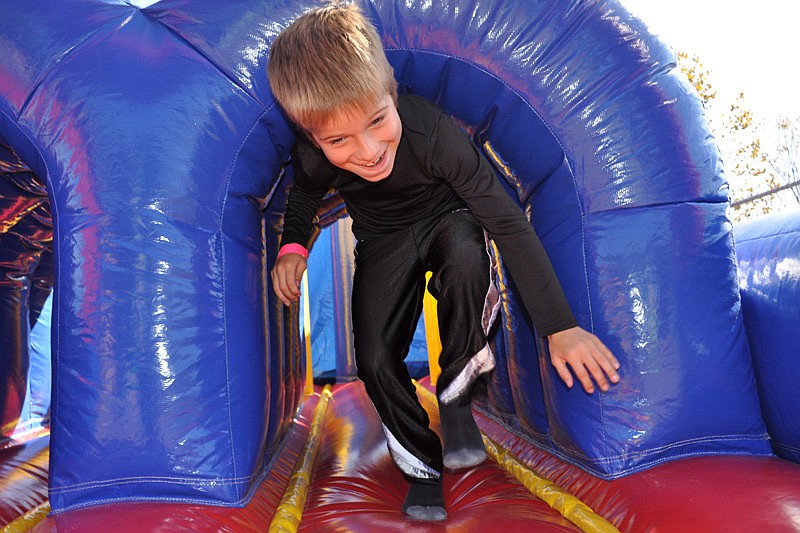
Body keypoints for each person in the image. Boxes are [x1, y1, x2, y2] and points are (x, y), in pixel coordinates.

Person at [268, 2, 620, 522]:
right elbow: (302, 198)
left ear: (392, 94)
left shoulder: (432, 133)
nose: (368, 150)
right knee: (375, 359)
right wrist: (293, 246)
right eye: (339, 140)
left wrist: (558, 325)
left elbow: (506, 222)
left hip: (445, 215)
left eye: (377, 121)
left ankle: (457, 394)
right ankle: (420, 466)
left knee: (465, 253)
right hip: (381, 239)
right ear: (312, 137)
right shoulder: (314, 156)